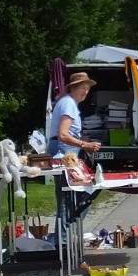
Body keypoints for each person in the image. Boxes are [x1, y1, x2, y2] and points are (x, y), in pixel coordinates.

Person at [46, 71, 102, 235]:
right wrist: (85, 144)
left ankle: (66, 237)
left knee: (78, 196)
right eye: (82, 88)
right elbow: (63, 135)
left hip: (67, 152)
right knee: (69, 199)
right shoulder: (68, 103)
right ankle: (63, 242)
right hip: (63, 154)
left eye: (87, 88)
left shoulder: (69, 103)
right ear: (73, 88)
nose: (85, 91)